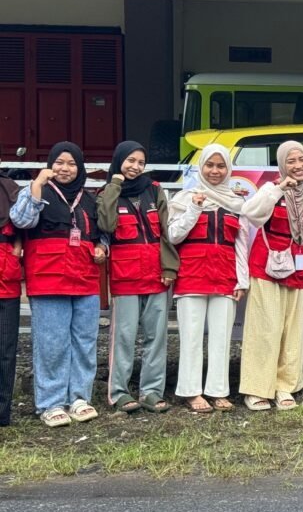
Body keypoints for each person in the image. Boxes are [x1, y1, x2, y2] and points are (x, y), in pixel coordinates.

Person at [9, 142, 106, 427]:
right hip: (48, 279)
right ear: (50, 165)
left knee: (85, 342)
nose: (65, 169)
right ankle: (51, 403)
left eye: (71, 164)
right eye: (59, 163)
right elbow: (21, 220)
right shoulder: (36, 191)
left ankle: (79, 398)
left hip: (85, 279)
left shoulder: (89, 199)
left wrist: (103, 247)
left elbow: (101, 233)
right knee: (52, 343)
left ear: (80, 167)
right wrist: (37, 184)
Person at [238, 140, 303, 411]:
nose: (298, 166)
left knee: (291, 332)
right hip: (267, 268)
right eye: (291, 161)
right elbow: (251, 214)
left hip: (297, 270)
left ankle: (285, 387)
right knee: (265, 330)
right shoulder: (270, 188)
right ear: (282, 165)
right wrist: (278, 189)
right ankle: (256, 389)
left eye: (302, 159)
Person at [98, 140, 178, 414]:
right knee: (124, 337)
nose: (135, 166)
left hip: (157, 276)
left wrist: (169, 268)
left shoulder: (154, 190)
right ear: (118, 160)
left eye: (140, 162)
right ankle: (119, 393)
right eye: (130, 160)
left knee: (157, 337)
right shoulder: (106, 192)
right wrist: (115, 186)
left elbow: (166, 232)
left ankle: (151, 392)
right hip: (125, 278)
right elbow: (106, 224)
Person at [168, 144, 249, 413]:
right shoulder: (185, 198)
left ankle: (218, 391)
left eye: (221, 166)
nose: (215, 171)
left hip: (225, 277)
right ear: (200, 167)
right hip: (191, 276)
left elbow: (241, 245)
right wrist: (194, 208)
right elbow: (173, 236)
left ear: (228, 169)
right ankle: (191, 391)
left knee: (221, 338)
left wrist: (242, 280)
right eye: (210, 165)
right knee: (191, 337)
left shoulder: (237, 203)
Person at [0, 155, 21, 427]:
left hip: (6, 278)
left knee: (6, 349)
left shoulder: (10, 187)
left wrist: (18, 246)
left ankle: (2, 413)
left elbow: (24, 226)